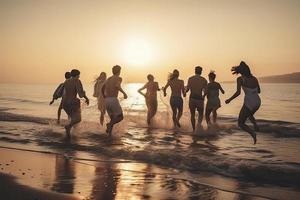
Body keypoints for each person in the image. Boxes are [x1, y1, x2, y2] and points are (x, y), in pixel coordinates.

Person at [225, 61, 261, 144]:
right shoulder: (255, 78)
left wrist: (229, 100)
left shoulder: (240, 79)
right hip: (258, 101)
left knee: (240, 123)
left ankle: (253, 133)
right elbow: (259, 91)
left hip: (249, 101)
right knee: (249, 114)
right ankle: (255, 125)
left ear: (240, 71)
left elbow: (238, 93)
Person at [102, 65, 127, 136]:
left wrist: (104, 96)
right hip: (113, 99)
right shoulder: (119, 78)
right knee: (120, 117)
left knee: (113, 118)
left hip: (106, 100)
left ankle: (109, 134)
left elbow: (103, 87)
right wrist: (124, 93)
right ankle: (109, 125)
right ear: (119, 71)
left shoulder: (108, 79)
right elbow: (117, 86)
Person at [63, 69, 89, 138]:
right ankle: (68, 127)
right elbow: (80, 95)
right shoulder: (77, 81)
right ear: (77, 75)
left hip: (65, 104)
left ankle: (70, 135)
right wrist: (85, 95)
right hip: (72, 103)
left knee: (73, 119)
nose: (79, 77)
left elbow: (61, 92)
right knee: (78, 119)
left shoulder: (66, 81)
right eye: (79, 75)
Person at [186, 66, 207, 131]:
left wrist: (184, 92)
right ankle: (198, 125)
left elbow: (187, 89)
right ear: (201, 71)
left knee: (192, 115)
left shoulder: (190, 79)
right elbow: (206, 91)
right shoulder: (204, 80)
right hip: (199, 99)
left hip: (192, 98)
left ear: (195, 71)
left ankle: (194, 129)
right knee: (200, 114)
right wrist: (203, 96)